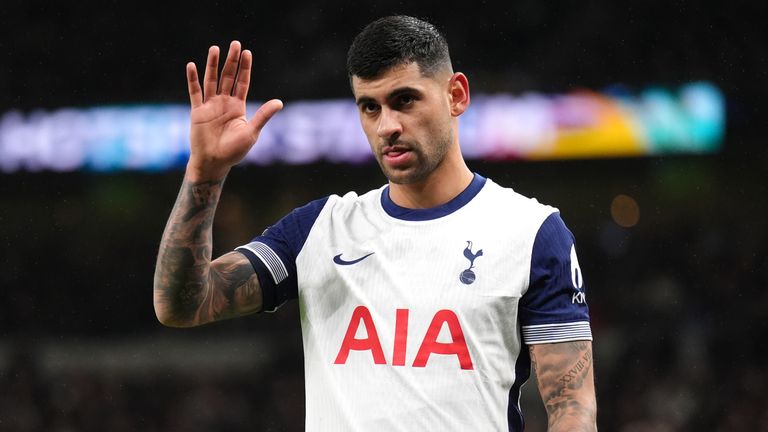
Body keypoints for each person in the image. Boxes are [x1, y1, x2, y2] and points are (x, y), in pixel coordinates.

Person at [153, 15, 597, 431]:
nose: (387, 126)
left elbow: (572, 409)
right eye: (369, 107)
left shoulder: (533, 232)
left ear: (456, 95)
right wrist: (204, 174)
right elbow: (182, 305)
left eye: (404, 100)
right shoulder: (319, 229)